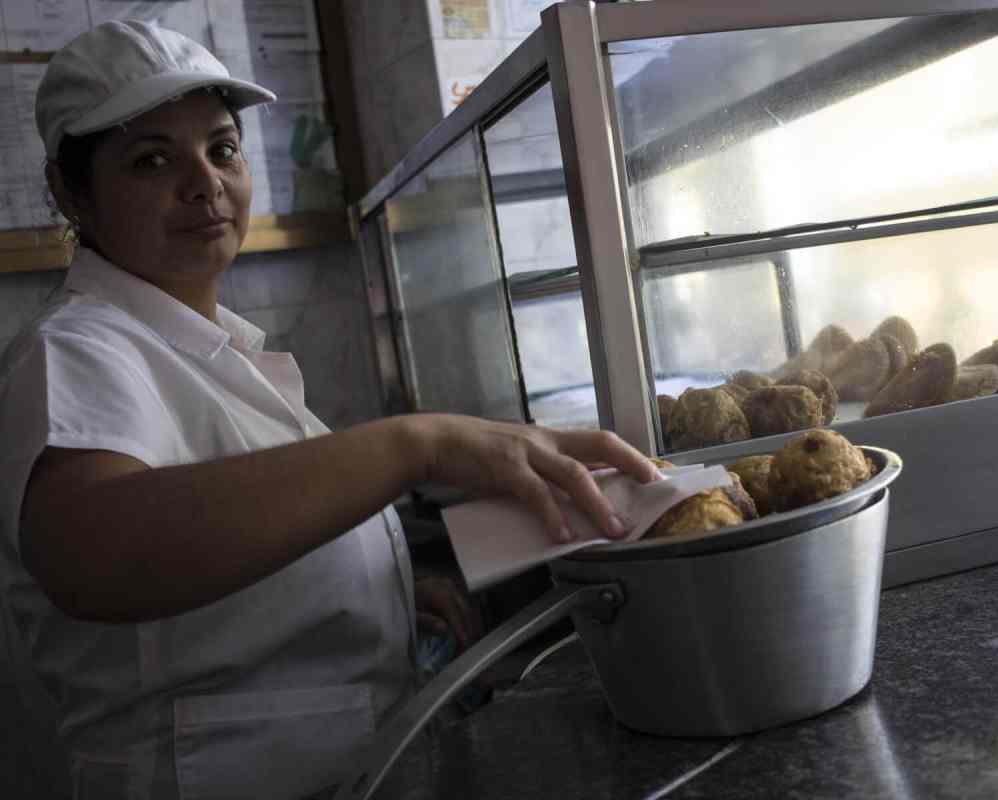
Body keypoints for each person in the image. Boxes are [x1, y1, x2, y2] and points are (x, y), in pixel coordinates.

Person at [0, 21, 657, 799]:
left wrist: (371, 598)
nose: (204, 183)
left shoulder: (205, 349)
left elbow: (226, 556)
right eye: (152, 160)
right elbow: (99, 557)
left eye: (222, 149)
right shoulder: (75, 349)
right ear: (70, 192)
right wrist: (415, 444)